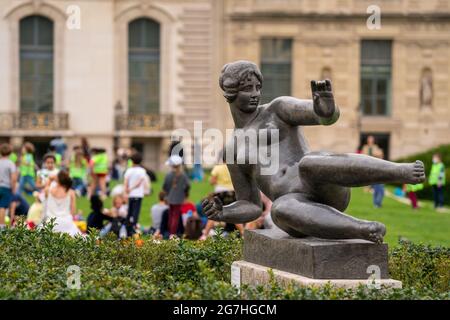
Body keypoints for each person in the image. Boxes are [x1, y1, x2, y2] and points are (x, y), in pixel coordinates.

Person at [202, 61, 425, 243]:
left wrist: (326, 109)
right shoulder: (233, 149)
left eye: (257, 87)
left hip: (322, 184)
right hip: (295, 206)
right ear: (230, 93)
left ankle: (401, 171)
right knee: (278, 210)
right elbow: (251, 205)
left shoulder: (277, 109)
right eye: (247, 88)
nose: (255, 94)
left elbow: (322, 116)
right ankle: (362, 229)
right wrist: (224, 213)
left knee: (309, 163)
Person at [42, 170, 81, 237]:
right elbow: (73, 212)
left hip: (51, 223)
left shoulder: (49, 190)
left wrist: (50, 179)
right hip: (66, 222)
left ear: (57, 179)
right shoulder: (71, 192)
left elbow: (45, 188)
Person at [162, 155, 190, 238]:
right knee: (176, 216)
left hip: (169, 197)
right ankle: (172, 234)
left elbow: (165, 187)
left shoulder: (168, 175)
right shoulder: (183, 175)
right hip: (179, 198)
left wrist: (167, 194)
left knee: (171, 215)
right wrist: (185, 194)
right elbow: (187, 185)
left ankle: (170, 232)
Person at [124, 151, 149, 235]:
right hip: (138, 194)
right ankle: (134, 228)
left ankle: (127, 228)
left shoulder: (129, 170)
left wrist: (126, 190)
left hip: (130, 195)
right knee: (136, 212)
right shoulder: (142, 171)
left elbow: (126, 182)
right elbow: (140, 182)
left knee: (130, 212)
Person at [0, 144, 17, 229]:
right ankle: (1, 226)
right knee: (2, 206)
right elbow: (13, 178)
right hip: (6, 187)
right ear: (10, 153)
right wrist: (13, 189)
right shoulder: (10, 163)